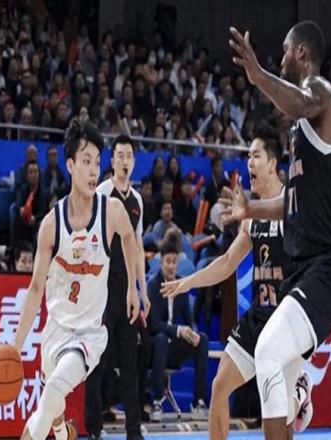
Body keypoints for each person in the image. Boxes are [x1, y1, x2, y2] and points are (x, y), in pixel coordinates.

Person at [224, 21, 331, 439]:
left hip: (330, 266)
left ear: (301, 52)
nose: (281, 58)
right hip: (305, 270)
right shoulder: (302, 130)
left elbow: (299, 103)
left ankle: (298, 387)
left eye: (285, 50)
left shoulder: (320, 93)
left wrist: (257, 75)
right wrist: (251, 208)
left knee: (267, 350)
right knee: (277, 371)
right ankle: (299, 388)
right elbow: (292, 201)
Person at [162, 134, 313, 439]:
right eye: (248, 156)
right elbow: (227, 262)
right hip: (259, 317)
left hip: (289, 320)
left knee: (279, 422)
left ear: (273, 163)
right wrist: (187, 283)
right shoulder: (251, 217)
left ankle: (297, 396)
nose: (249, 163)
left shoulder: (295, 205)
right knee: (219, 386)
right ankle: (296, 396)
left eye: (256, 156)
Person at [13, 118, 140, 440]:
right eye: (86, 162)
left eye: (97, 162)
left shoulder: (111, 211)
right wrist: (15, 346)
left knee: (51, 394)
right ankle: (63, 432)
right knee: (53, 408)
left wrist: (133, 288)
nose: (94, 170)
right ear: (70, 165)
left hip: (89, 334)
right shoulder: (51, 224)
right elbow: (35, 288)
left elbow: (129, 237)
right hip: (55, 330)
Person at [87, 135, 150, 440]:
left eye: (129, 156)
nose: (125, 161)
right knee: (98, 360)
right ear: (111, 161)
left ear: (134, 162)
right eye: (120, 155)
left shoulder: (137, 200)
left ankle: (133, 431)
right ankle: (93, 428)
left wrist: (142, 290)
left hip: (128, 289)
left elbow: (137, 247)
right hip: (101, 286)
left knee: (130, 361)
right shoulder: (100, 193)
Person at [148, 236, 209, 422]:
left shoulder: (181, 286)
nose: (171, 266)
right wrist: (177, 330)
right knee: (160, 339)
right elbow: (153, 324)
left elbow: (189, 320)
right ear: (161, 262)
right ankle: (157, 401)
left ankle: (198, 402)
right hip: (155, 347)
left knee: (202, 340)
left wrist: (193, 332)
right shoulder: (153, 286)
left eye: (174, 262)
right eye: (168, 262)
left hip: (173, 348)